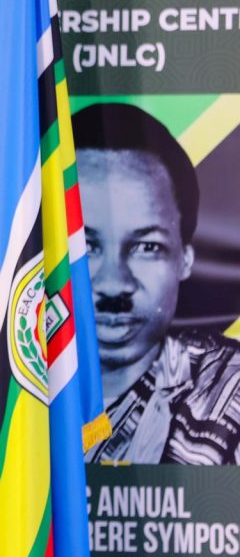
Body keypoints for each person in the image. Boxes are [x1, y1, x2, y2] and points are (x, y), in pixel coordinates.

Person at [74, 102, 240, 465]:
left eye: (147, 247)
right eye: (84, 247)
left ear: (186, 259)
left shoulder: (231, 391)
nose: (114, 285)